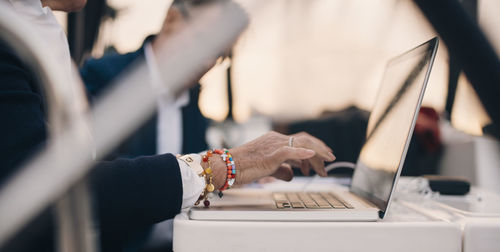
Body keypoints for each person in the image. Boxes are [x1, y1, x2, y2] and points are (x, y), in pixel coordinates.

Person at [0, 0, 335, 251]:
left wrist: (249, 174)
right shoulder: (102, 82)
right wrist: (233, 164)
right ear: (172, 19)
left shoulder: (192, 106)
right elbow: (88, 189)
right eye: (204, 42)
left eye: (220, 55)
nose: (207, 62)